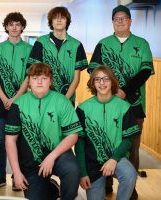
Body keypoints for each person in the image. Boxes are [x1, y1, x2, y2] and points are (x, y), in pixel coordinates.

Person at [88, 5, 154, 199]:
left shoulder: (141, 44)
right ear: (112, 22)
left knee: (132, 148)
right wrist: (109, 91)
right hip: (105, 104)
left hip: (134, 105)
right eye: (116, 18)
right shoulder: (103, 43)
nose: (120, 21)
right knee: (105, 142)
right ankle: (106, 182)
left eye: (124, 18)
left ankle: (130, 188)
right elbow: (93, 71)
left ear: (130, 21)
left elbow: (144, 72)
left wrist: (124, 91)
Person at [5, 63, 82, 200]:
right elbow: (10, 140)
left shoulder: (62, 101)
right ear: (29, 81)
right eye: (35, 78)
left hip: (58, 154)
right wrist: (16, 173)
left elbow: (73, 135)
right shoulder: (18, 104)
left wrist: (51, 157)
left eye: (44, 78)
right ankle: (51, 189)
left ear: (50, 81)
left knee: (72, 170)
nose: (39, 81)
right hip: (31, 163)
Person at [75, 66, 139, 200]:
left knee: (130, 175)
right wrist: (83, 172)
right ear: (93, 83)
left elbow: (128, 139)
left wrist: (114, 159)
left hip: (117, 157)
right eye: (97, 79)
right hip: (92, 163)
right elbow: (79, 143)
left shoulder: (124, 107)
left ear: (112, 82)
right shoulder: (83, 109)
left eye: (106, 79)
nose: (102, 83)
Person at [0, 12, 32, 190]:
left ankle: (18, 177)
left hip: (22, 103)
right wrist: (5, 97)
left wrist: (15, 99)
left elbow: (29, 77)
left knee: (21, 142)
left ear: (22, 27)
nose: (14, 27)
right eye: (11, 24)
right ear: (6, 27)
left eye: (17, 24)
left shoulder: (30, 50)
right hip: (0, 102)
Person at [27, 6, 88, 105]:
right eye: (55, 17)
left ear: (67, 21)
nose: (59, 20)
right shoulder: (41, 42)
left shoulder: (76, 45)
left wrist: (65, 100)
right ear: (51, 22)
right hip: (43, 99)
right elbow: (33, 72)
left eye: (62, 17)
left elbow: (76, 78)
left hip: (67, 100)